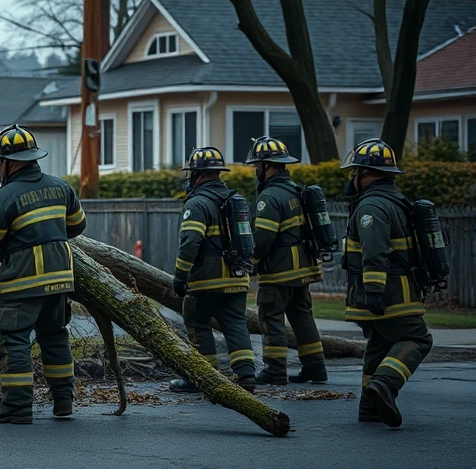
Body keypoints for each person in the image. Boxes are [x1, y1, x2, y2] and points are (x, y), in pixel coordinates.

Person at [0, 124, 86, 424]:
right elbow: (77, 226)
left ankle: (18, 405)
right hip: (60, 280)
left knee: (13, 339)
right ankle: (63, 401)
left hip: (24, 282)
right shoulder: (61, 188)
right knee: (55, 336)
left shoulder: (6, 196)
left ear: (10, 162)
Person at [341, 138, 433, 427]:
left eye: (354, 171)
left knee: (406, 340)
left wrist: (374, 292)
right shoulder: (394, 201)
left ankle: (379, 390)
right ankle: (376, 397)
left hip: (387, 295)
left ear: (366, 174)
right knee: (394, 340)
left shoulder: (372, 207)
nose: (351, 178)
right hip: (396, 293)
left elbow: (375, 253)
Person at [170, 147, 257, 393]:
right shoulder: (234, 201)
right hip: (238, 277)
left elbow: (190, 243)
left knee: (198, 322)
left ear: (196, 174)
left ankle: (202, 378)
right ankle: (247, 376)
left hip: (207, 281)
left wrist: (180, 277)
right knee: (236, 324)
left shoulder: (197, 204)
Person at [245, 137, 327, 386]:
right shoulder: (295, 190)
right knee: (303, 318)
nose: (255, 170)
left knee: (271, 319)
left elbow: (263, 238)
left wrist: (251, 262)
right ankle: (316, 368)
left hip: (279, 271)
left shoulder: (269, 197)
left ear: (267, 166)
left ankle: (275, 370)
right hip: (302, 270)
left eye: (256, 165)